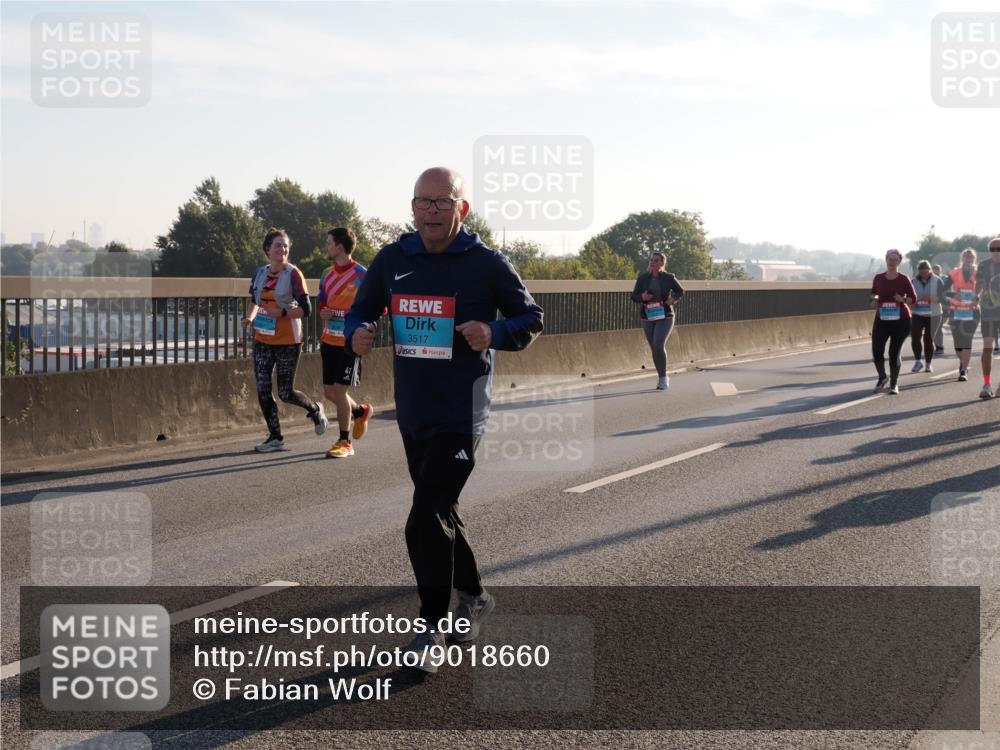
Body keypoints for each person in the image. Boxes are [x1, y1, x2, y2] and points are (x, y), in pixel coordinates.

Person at [345, 167, 543, 672]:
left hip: (462, 412)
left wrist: (492, 331)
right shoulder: (393, 258)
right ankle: (474, 596)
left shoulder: (486, 264)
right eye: (423, 202)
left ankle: (430, 628)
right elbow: (359, 310)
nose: (432, 211)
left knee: (422, 518)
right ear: (412, 208)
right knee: (441, 514)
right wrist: (360, 331)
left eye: (442, 202)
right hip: (413, 412)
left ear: (462, 208)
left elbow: (530, 319)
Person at [242, 228, 327, 452]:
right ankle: (275, 436)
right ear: (268, 249)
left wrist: (280, 313)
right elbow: (254, 301)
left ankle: (316, 410)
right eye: (278, 245)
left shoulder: (293, 274)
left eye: (285, 246)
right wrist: (249, 318)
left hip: (288, 340)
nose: (282, 249)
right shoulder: (260, 273)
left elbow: (306, 310)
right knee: (262, 388)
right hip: (262, 338)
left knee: (285, 392)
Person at [316, 227, 374, 457]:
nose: (326, 247)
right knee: (330, 392)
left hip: (350, 343)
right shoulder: (325, 274)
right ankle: (360, 412)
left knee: (340, 390)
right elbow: (322, 303)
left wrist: (358, 324)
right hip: (329, 339)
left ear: (339, 246)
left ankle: (344, 441)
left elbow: (376, 307)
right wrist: (324, 313)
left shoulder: (362, 275)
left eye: (329, 243)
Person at [630, 252, 684, 390]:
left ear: (662, 263)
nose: (652, 262)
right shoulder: (643, 279)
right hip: (648, 315)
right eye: (651, 260)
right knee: (654, 348)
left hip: (665, 315)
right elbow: (634, 296)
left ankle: (664, 378)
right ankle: (661, 376)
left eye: (656, 260)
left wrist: (673, 299)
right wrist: (642, 296)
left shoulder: (669, 277)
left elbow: (680, 291)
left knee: (658, 344)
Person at [869, 249, 916, 395]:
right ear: (886, 260)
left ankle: (894, 384)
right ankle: (883, 377)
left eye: (895, 259)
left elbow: (913, 300)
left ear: (899, 262)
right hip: (882, 319)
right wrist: (874, 301)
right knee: (877, 350)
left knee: (893, 353)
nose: (892, 262)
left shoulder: (904, 279)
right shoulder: (878, 278)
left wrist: (902, 300)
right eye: (889, 259)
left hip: (901, 320)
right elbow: (873, 294)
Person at [942, 248, 980, 383]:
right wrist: (953, 294)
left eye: (971, 257)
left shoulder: (978, 273)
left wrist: (977, 298)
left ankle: (963, 370)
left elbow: (986, 290)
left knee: (967, 340)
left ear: (974, 259)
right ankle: (963, 361)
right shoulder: (954, 273)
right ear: (962, 258)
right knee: (958, 344)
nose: (968, 259)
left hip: (972, 311)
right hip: (956, 310)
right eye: (966, 257)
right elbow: (943, 290)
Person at [974, 238, 1000, 398]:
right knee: (988, 348)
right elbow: (978, 284)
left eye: (999, 248)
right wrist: (975, 297)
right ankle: (987, 384)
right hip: (988, 311)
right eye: (993, 248)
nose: (996, 251)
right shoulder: (983, 265)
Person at [910, 260, 945, 373]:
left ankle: (928, 364)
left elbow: (944, 297)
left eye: (926, 272)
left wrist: (935, 298)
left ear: (930, 270)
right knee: (915, 337)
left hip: (934, 314)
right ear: (918, 271)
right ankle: (917, 361)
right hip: (917, 313)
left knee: (928, 339)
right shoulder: (913, 281)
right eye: (922, 272)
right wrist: (911, 303)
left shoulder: (937, 280)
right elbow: (909, 297)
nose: (924, 274)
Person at [931, 264, 947, 355]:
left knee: (938, 328)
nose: (935, 272)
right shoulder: (930, 280)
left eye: (937, 270)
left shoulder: (943, 279)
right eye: (933, 270)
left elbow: (946, 293)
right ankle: (932, 346)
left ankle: (939, 346)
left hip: (943, 307)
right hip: (931, 308)